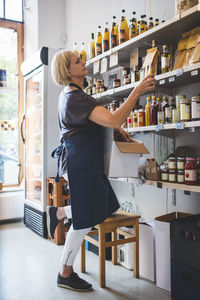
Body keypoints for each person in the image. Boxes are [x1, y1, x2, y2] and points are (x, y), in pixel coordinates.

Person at [47, 49, 156, 292]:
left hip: (82, 161)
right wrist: (137, 90)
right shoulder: (76, 97)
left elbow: (96, 125)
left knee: (104, 204)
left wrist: (115, 131)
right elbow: (114, 118)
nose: (83, 63)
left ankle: (60, 213)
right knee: (85, 219)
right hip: (80, 163)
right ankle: (65, 272)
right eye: (77, 61)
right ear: (67, 71)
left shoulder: (73, 95)